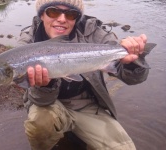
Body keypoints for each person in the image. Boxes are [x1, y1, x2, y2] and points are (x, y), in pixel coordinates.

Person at [19, 0, 149, 149]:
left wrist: (133, 60)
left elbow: (133, 78)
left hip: (87, 105)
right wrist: (45, 85)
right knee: (39, 123)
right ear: (42, 14)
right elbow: (40, 101)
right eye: (53, 12)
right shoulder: (27, 43)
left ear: (77, 17)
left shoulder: (94, 32)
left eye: (71, 14)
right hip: (50, 106)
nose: (62, 19)